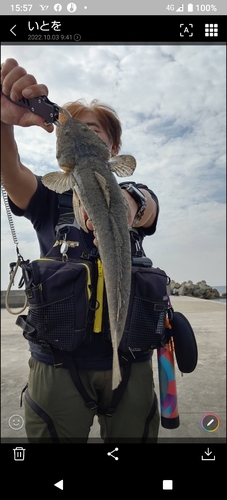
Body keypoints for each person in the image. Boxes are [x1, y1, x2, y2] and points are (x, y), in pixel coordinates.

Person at [1, 58, 160, 443]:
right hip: (58, 363)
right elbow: (8, 166)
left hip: (132, 358)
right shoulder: (48, 195)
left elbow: (146, 206)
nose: (77, 131)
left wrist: (125, 205)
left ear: (114, 148)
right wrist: (2, 122)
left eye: (91, 128)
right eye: (69, 127)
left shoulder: (135, 192)